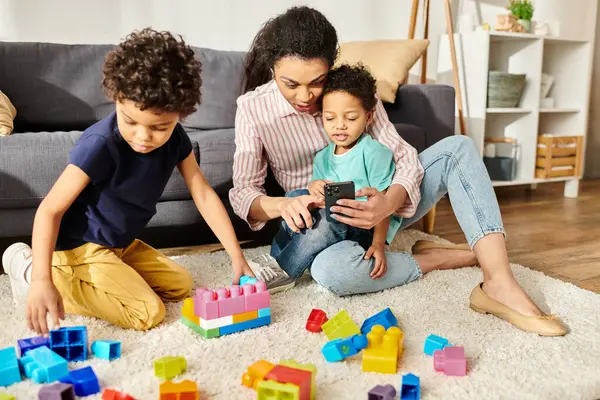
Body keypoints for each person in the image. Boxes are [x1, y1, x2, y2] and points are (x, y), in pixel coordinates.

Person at [230, 6, 567, 336]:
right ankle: (438, 259)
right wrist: (282, 206)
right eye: (291, 84)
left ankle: (499, 282)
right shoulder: (253, 109)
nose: (306, 96)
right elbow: (244, 192)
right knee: (330, 272)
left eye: (317, 82)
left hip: (383, 205)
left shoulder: (352, 95)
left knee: (458, 148)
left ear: (330, 67)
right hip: (322, 226)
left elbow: (404, 156)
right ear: (272, 69)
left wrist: (387, 203)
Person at [2, 28, 254, 335]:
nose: (143, 137)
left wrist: (236, 255)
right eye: (130, 120)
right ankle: (28, 271)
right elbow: (49, 210)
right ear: (116, 99)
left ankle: (111, 276)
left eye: (159, 127)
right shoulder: (100, 143)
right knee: (147, 312)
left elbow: (201, 192)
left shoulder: (176, 138)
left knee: (181, 285)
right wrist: (41, 281)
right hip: (79, 248)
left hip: (120, 244)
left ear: (180, 115)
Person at [271, 64, 404, 281]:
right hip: (332, 218)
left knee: (324, 222)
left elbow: (383, 206)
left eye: (350, 118)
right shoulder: (322, 157)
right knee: (293, 198)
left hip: (362, 227)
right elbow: (318, 198)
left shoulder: (374, 152)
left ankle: (283, 272)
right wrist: (314, 189)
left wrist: (378, 245)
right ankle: (277, 258)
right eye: (330, 118)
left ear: (369, 117)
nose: (339, 126)